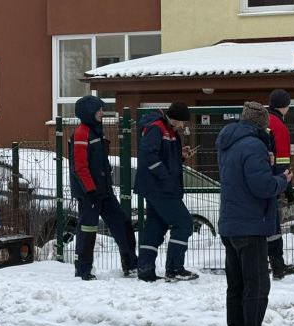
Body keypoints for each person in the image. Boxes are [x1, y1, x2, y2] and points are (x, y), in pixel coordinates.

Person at [217, 102, 292, 326]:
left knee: (236, 287)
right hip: (250, 225)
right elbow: (261, 187)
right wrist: (282, 179)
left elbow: (243, 179)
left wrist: (267, 164)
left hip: (231, 224)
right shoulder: (254, 146)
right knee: (257, 286)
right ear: (261, 123)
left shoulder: (229, 143)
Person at [69, 95, 137, 280]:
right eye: (99, 110)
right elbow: (79, 167)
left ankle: (131, 265)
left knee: (122, 224)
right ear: (89, 112)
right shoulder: (81, 133)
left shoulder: (96, 131)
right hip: (89, 194)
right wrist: (90, 190)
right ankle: (83, 270)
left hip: (104, 191)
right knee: (88, 230)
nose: (102, 113)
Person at [133, 102, 200, 283]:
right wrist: (166, 176)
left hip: (157, 187)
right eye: (182, 122)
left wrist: (181, 155)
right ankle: (174, 268)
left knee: (156, 225)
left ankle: (145, 269)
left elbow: (164, 156)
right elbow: (149, 156)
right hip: (160, 188)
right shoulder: (157, 128)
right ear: (175, 118)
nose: (183, 126)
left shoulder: (168, 129)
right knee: (184, 223)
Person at [266, 89, 294, 279]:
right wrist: (287, 188)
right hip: (273, 182)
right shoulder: (279, 126)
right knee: (273, 227)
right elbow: (283, 160)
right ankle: (278, 267)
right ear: (285, 106)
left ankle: (265, 264)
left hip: (256, 180)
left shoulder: (262, 121)